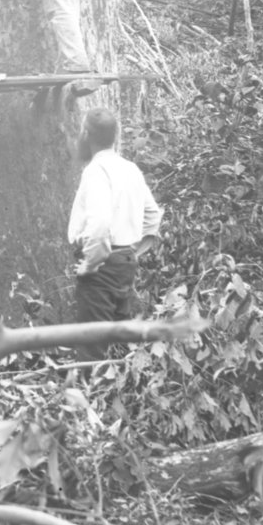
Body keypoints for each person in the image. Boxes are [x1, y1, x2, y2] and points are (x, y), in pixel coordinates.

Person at [68, 108, 162, 359]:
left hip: (102, 268)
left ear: (86, 135)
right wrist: (130, 250)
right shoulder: (130, 168)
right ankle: (119, 394)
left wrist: (91, 264)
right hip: (124, 264)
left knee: (92, 349)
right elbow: (152, 216)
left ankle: (88, 397)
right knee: (121, 345)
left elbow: (99, 225)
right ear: (116, 135)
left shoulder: (96, 170)